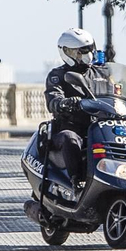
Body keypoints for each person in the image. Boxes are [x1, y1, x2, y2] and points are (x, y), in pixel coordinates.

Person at [44, 27, 98, 179]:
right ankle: (77, 180)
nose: (84, 55)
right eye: (79, 52)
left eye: (87, 50)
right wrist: (64, 102)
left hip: (97, 126)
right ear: (66, 52)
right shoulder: (58, 75)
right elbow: (53, 99)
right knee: (70, 138)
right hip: (73, 127)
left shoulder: (100, 73)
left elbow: (114, 91)